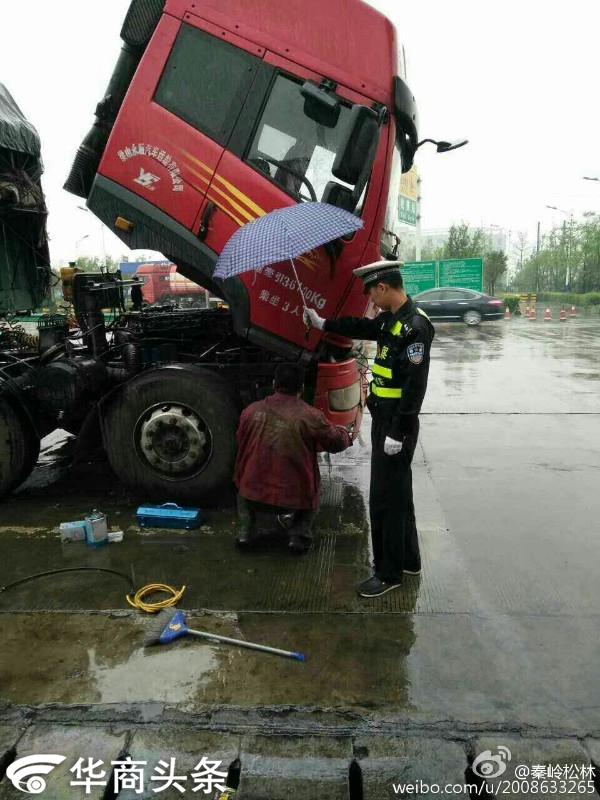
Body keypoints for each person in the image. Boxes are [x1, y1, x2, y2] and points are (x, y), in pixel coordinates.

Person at [304, 260, 435, 597]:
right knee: (399, 497)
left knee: (384, 500)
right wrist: (323, 323)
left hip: (395, 425)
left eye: (372, 294)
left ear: (383, 287)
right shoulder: (391, 320)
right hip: (386, 420)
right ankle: (408, 560)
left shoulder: (416, 326)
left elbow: (414, 386)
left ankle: (388, 574)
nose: (372, 302)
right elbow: (362, 327)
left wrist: (398, 432)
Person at [234, 362, 352, 552]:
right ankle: (299, 535)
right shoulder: (312, 416)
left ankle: (244, 533)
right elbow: (337, 443)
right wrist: (344, 432)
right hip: (294, 500)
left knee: (243, 482)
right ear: (302, 388)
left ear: (274, 384)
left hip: (252, 494)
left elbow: (240, 442)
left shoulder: (250, 411)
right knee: (314, 488)